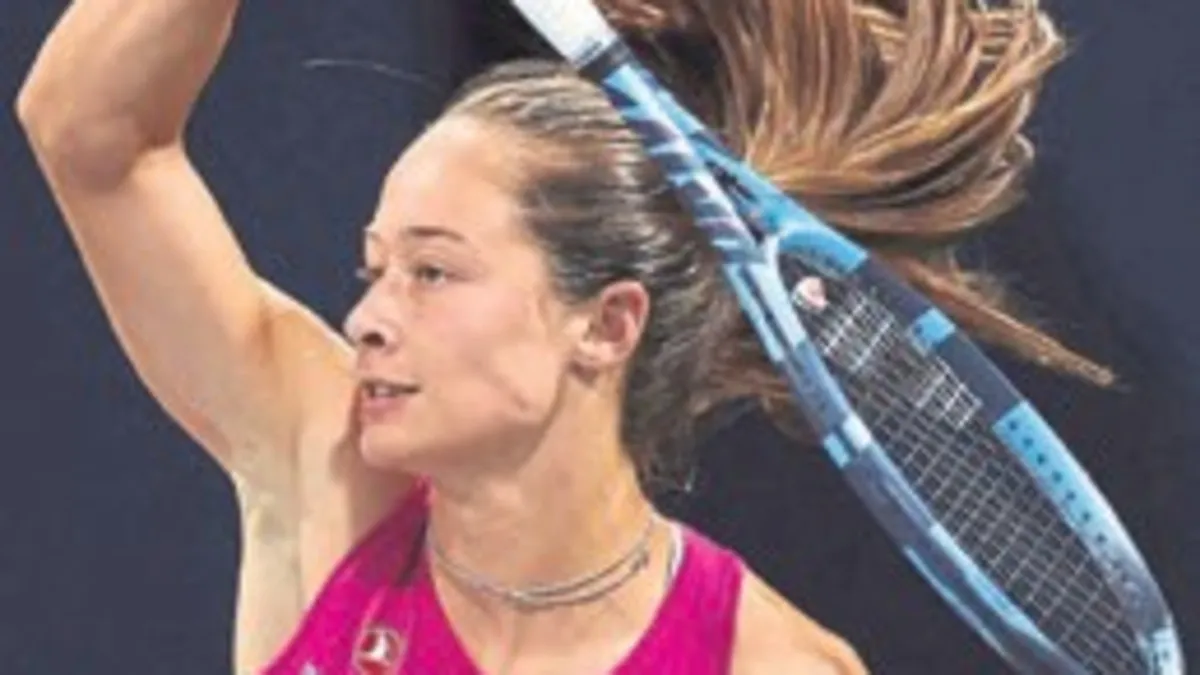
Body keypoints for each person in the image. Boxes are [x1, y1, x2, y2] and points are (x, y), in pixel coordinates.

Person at [16, 0, 1105, 672]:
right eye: (373, 269)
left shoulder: (766, 665)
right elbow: (89, 132)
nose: (366, 319)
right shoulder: (326, 470)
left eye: (432, 272)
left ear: (607, 322)